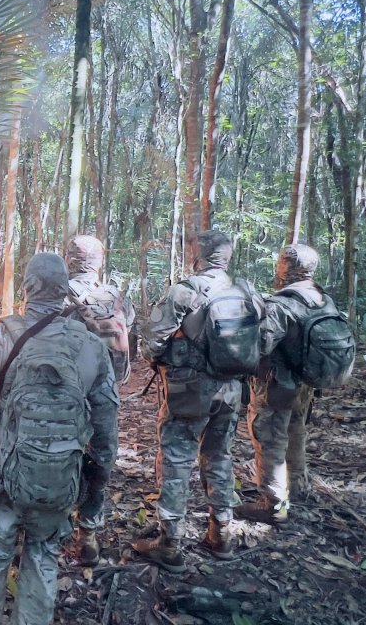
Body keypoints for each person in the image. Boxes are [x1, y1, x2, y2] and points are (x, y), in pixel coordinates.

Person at [0, 253, 118, 625]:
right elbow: (106, 424)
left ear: (26, 288)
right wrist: (94, 477)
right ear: (64, 292)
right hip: (59, 475)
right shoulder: (89, 345)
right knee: (42, 558)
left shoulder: (0, 335)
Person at [135, 230, 263, 571]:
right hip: (232, 389)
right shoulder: (246, 291)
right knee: (219, 455)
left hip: (190, 391)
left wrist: (162, 361)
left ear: (198, 255)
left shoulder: (185, 291)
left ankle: (170, 542)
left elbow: (153, 340)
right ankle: (221, 532)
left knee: (177, 460)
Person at [239, 243, 343, 525]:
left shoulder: (282, 304)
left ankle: (273, 505)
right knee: (296, 429)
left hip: (276, 386)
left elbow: (261, 345)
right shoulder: (323, 298)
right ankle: (297, 486)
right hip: (306, 384)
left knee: (270, 438)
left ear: (283, 268)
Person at [64, 234, 130, 566]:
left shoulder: (59, 296)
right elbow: (126, 327)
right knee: (102, 457)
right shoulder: (115, 296)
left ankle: (60, 522)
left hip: (68, 396)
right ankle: (88, 533)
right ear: (100, 261)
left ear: (68, 260)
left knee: (64, 455)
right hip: (107, 394)